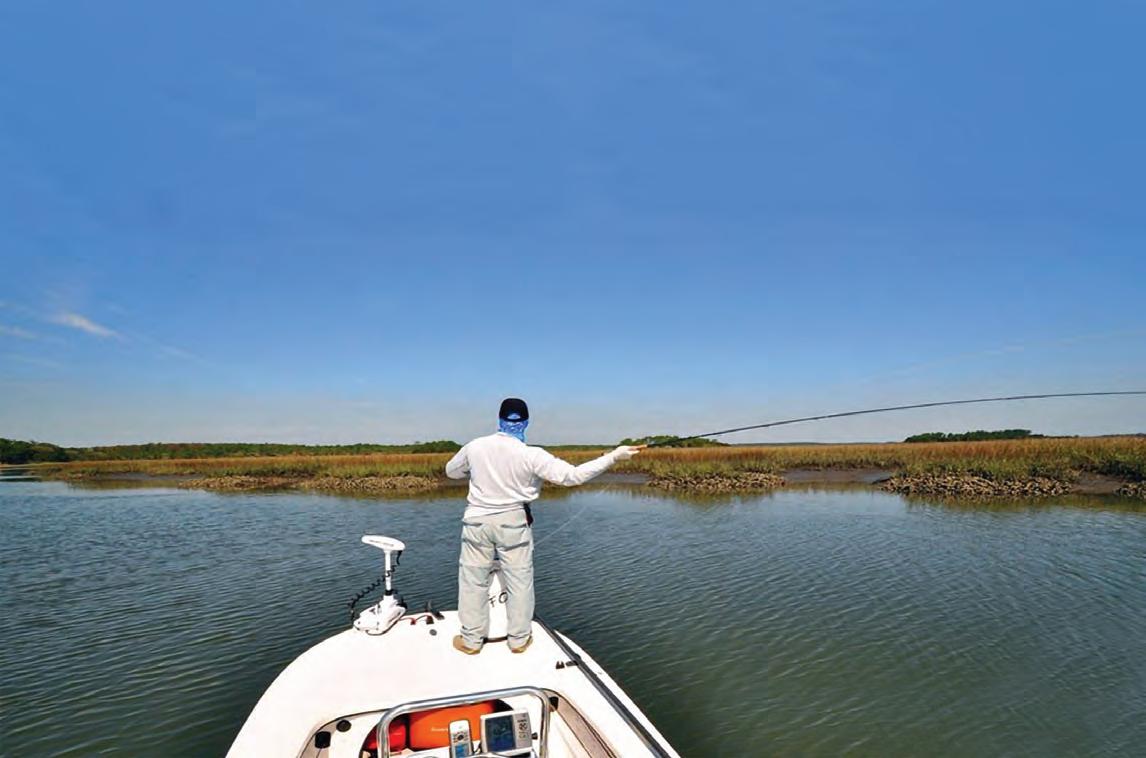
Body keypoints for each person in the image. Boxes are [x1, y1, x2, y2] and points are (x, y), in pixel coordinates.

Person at [445, 397, 643, 654]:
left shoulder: (475, 447)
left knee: (473, 581)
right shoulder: (532, 454)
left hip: (476, 521)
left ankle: (471, 641)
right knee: (519, 581)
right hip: (514, 522)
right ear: (526, 422)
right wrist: (613, 457)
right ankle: (519, 640)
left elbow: (451, 471)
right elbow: (572, 476)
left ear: (499, 420)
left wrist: (477, 470)